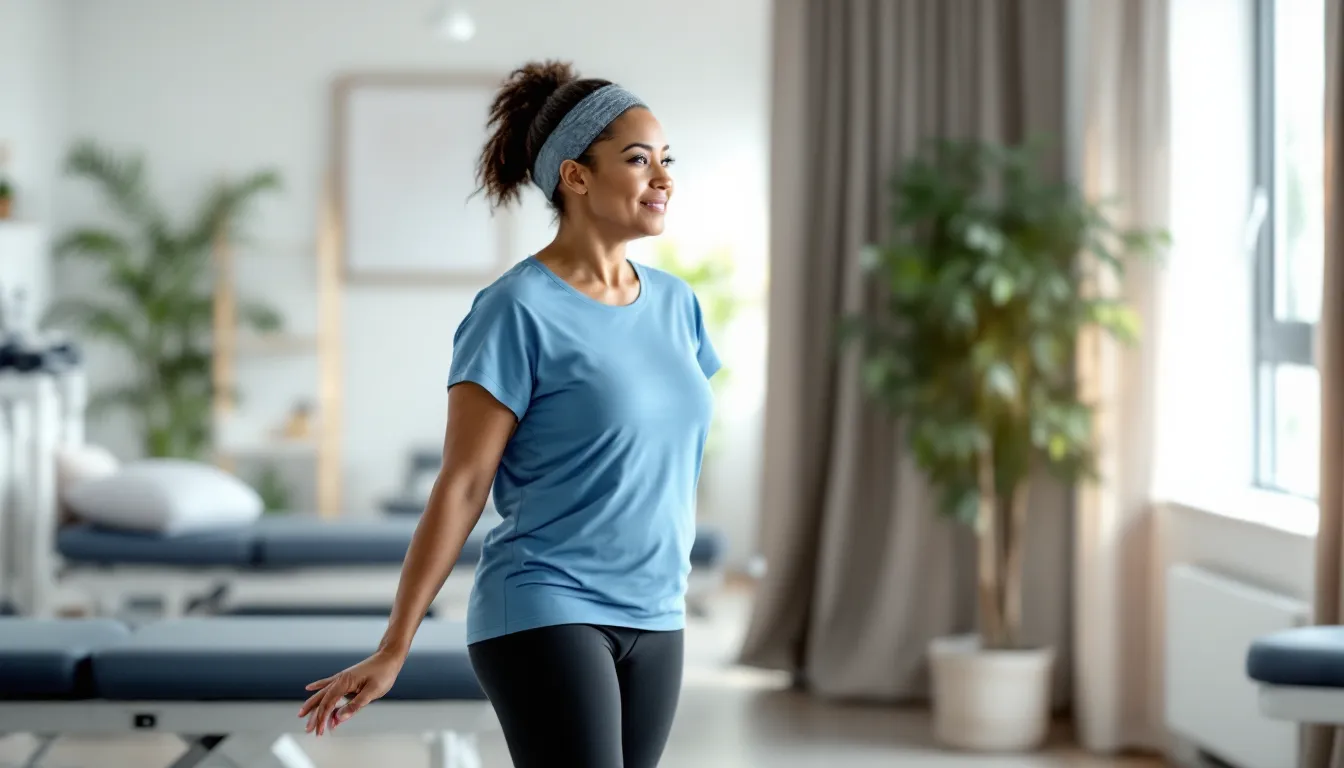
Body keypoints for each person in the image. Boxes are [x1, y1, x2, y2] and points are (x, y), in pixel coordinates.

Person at [296, 59, 720, 768]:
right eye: (638, 159)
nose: (663, 178)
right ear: (575, 176)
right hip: (547, 604)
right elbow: (463, 483)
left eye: (667, 160)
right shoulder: (515, 308)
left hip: (657, 610)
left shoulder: (679, 304)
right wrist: (395, 645)